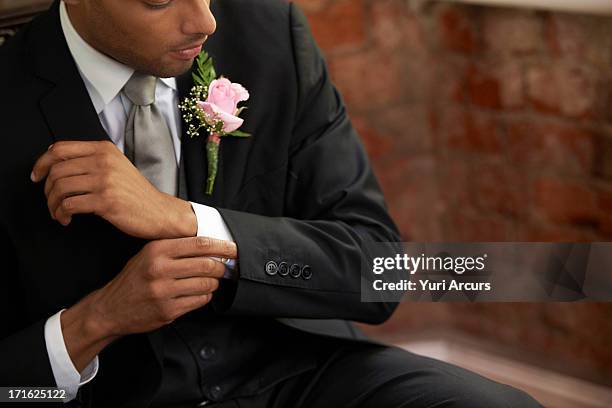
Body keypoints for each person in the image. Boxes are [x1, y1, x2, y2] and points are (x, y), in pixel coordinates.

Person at [0, 0, 543, 407]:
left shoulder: (268, 33)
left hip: (305, 374)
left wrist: (191, 222)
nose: (204, 22)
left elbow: (384, 271)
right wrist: (97, 321)